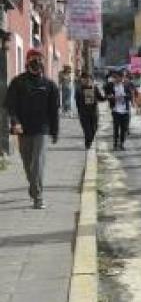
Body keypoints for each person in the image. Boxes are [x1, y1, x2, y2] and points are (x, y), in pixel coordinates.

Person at [2, 48, 60, 209]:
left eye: (40, 59)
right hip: (23, 129)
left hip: (42, 129)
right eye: (34, 58)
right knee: (28, 164)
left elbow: (54, 111)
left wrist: (55, 131)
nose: (37, 62)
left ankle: (38, 197)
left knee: (38, 163)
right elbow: (10, 106)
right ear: (27, 61)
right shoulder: (17, 82)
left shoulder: (50, 85)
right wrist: (15, 122)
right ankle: (34, 188)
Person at [74, 71, 105, 150]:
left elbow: (100, 98)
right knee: (87, 130)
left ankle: (89, 141)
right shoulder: (79, 89)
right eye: (85, 79)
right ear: (82, 80)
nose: (87, 80)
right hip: (84, 113)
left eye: (89, 79)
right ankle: (88, 143)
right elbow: (77, 102)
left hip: (94, 112)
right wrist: (79, 111)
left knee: (94, 129)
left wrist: (107, 97)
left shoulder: (94, 88)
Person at [104, 71, 132, 150]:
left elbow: (130, 95)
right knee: (116, 127)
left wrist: (124, 96)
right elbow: (106, 93)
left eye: (117, 77)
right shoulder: (110, 85)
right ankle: (115, 144)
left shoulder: (126, 85)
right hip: (115, 110)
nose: (115, 79)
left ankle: (122, 144)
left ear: (121, 78)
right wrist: (111, 97)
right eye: (114, 77)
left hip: (125, 110)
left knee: (124, 128)